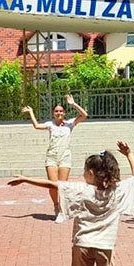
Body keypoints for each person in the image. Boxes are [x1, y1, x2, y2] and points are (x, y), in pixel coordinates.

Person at [20, 94, 89, 222]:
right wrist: (31, 112)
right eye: (56, 111)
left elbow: (84, 115)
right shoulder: (50, 124)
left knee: (62, 186)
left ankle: (62, 211)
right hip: (52, 156)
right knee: (52, 185)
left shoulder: (70, 124)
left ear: (64, 113)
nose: (59, 113)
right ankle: (56, 206)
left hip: (65, 156)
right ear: (53, 113)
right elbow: (36, 126)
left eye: (61, 111)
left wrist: (73, 104)